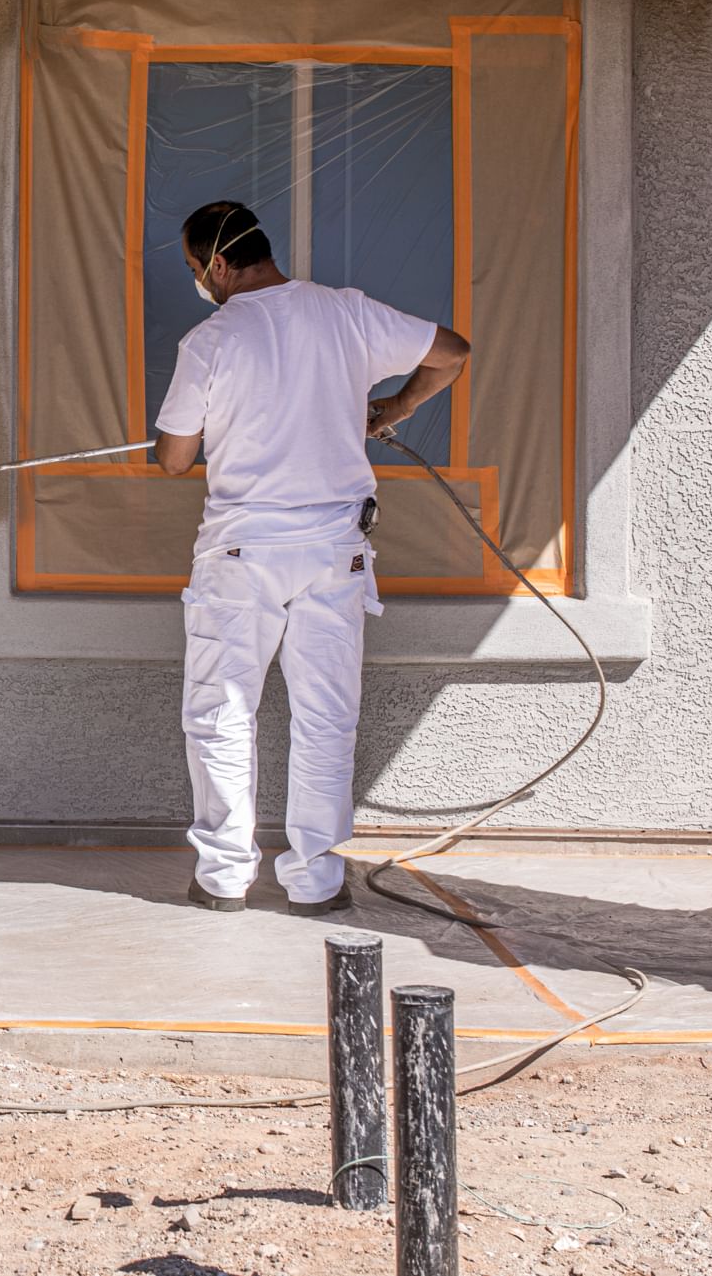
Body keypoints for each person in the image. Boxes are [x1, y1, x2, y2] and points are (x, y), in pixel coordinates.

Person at [150, 201, 471, 916]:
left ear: (220, 264)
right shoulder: (345, 312)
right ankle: (317, 881)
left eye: (196, 269)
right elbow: (451, 352)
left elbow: (174, 460)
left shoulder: (213, 338)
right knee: (326, 716)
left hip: (242, 555)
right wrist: (392, 409)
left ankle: (225, 877)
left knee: (222, 712)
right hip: (334, 552)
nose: (200, 281)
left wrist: (184, 437)